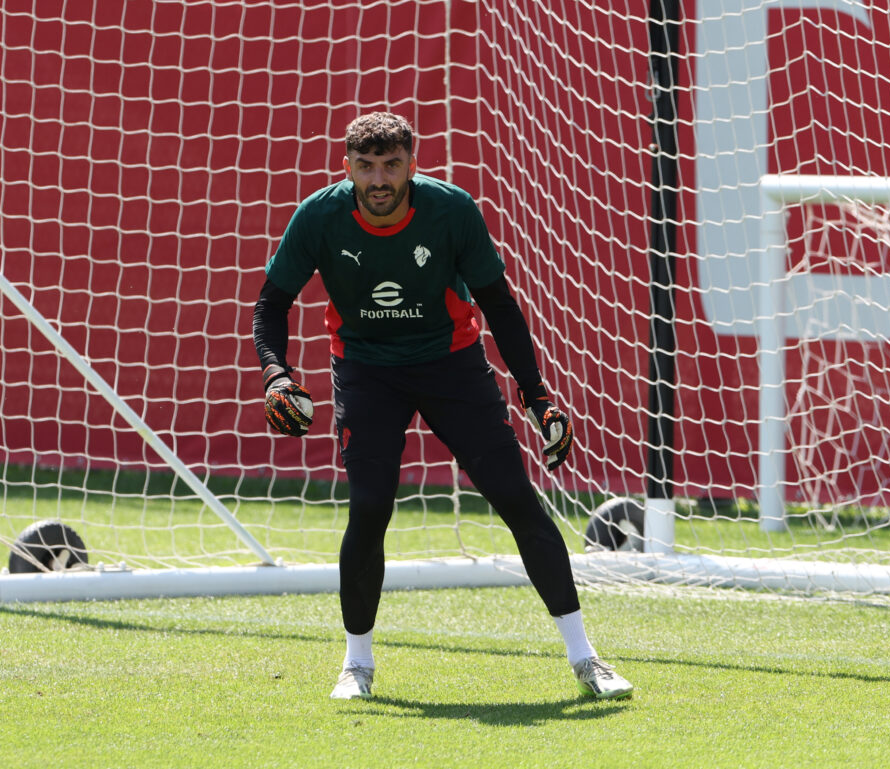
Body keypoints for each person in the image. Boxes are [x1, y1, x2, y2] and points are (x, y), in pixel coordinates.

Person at [252, 111, 633, 701]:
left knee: (516, 500)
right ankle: (357, 665)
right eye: (366, 165)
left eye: (391, 164)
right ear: (347, 165)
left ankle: (587, 658)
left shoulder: (452, 210)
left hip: (452, 364)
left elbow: (499, 306)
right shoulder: (320, 216)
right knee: (371, 508)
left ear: (412, 162)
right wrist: (278, 377)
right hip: (366, 370)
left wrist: (537, 397)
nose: (379, 179)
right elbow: (271, 303)